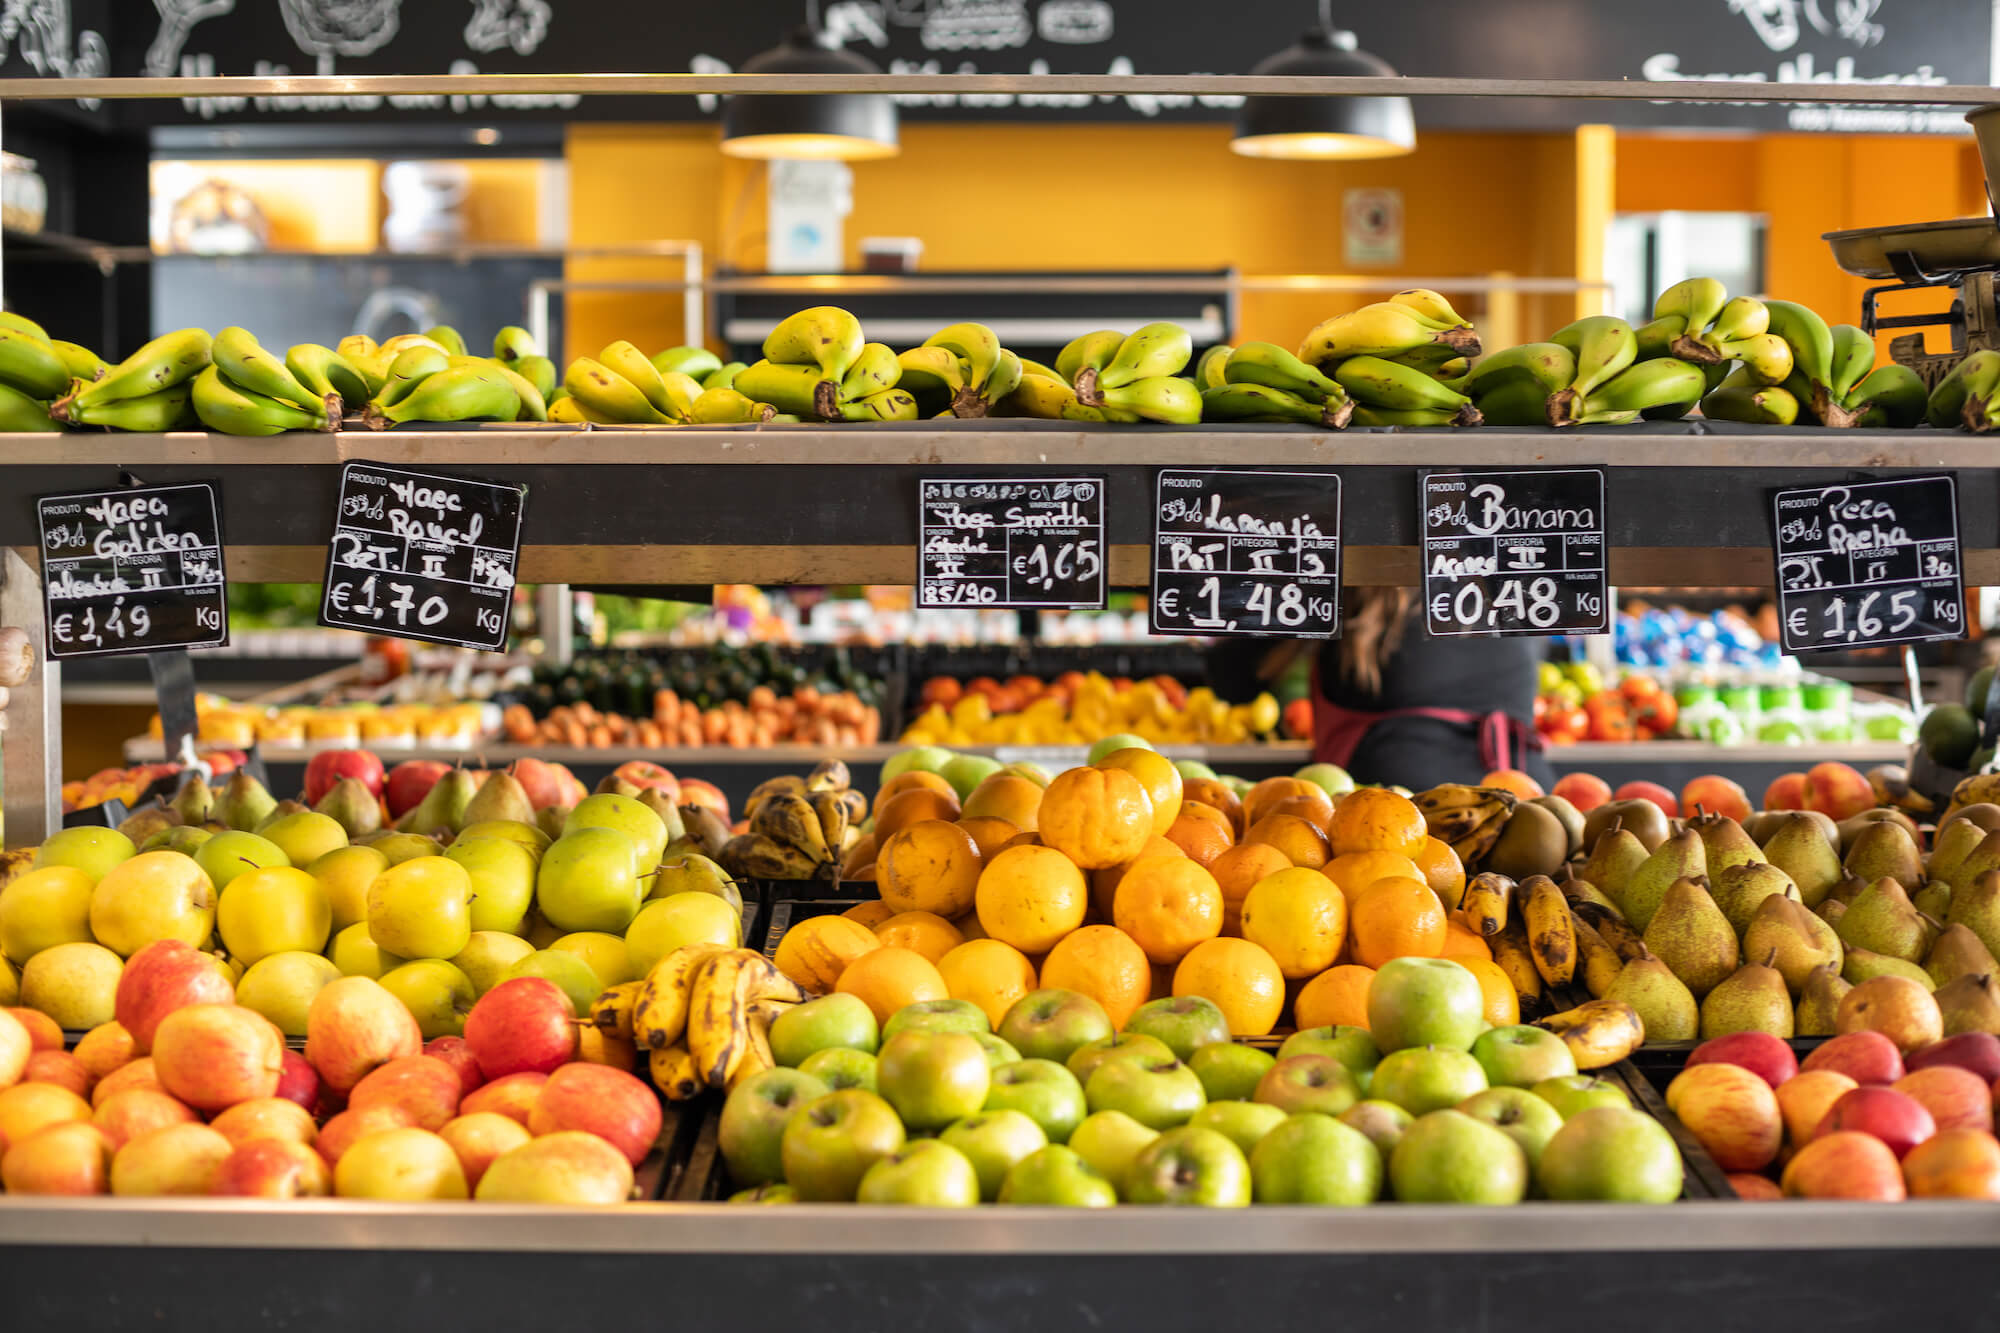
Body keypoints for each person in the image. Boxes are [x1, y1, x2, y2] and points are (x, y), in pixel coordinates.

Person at [1208, 588, 1550, 791]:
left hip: (1395, 815)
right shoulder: (1503, 581)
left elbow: (1232, 678)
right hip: (1524, 803)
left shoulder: (1356, 589)